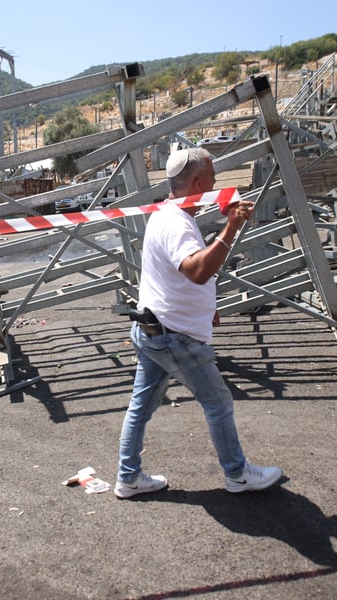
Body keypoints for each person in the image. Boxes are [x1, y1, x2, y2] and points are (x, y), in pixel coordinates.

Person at [114, 147, 283, 499]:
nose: (217, 184)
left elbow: (168, 277)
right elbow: (197, 270)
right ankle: (237, 474)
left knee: (140, 407)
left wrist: (207, 307)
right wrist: (231, 227)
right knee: (218, 401)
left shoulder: (165, 214)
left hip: (153, 329)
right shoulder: (177, 223)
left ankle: (128, 477)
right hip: (175, 336)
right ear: (197, 182)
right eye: (212, 179)